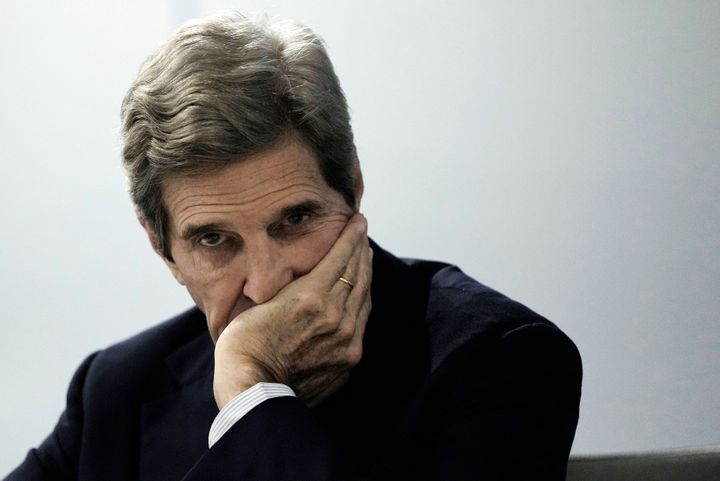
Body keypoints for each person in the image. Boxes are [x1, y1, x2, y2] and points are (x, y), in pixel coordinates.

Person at [6, 12, 582, 481]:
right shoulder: (117, 390)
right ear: (162, 249)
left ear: (351, 189)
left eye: (296, 219)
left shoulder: (500, 361)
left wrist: (250, 392)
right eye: (214, 240)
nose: (267, 282)